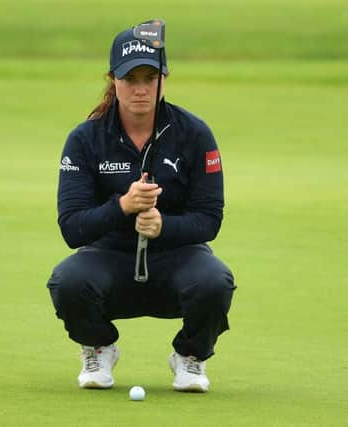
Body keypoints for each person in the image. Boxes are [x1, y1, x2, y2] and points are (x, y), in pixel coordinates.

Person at [46, 22, 236, 393]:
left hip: (177, 260)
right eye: (130, 78)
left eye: (150, 77)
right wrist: (123, 206)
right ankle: (98, 347)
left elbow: (210, 219)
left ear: (164, 79)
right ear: (113, 79)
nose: (141, 88)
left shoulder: (195, 134)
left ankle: (190, 357)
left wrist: (164, 226)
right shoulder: (86, 139)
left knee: (215, 280)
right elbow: (72, 228)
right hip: (109, 261)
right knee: (67, 280)